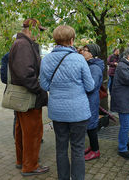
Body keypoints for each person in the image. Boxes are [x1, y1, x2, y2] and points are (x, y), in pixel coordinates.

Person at [40, 25, 94, 180]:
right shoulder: (79, 59)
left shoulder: (46, 59)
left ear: (56, 40)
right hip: (78, 112)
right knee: (77, 149)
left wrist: (57, 88)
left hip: (58, 111)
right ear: (72, 40)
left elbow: (44, 85)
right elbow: (90, 86)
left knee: (61, 148)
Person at [8, 18, 49, 176]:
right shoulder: (24, 45)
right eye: (39, 30)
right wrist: (39, 90)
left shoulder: (21, 43)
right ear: (31, 28)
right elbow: (26, 74)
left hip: (23, 98)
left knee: (22, 131)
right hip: (29, 98)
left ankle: (22, 161)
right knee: (32, 132)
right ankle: (30, 166)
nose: (39, 34)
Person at [81, 43, 104, 161]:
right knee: (90, 125)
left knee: (91, 126)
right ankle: (92, 146)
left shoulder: (94, 67)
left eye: (85, 50)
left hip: (91, 100)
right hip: (89, 99)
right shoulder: (90, 65)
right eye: (83, 49)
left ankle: (96, 151)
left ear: (92, 54)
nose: (82, 52)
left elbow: (92, 87)